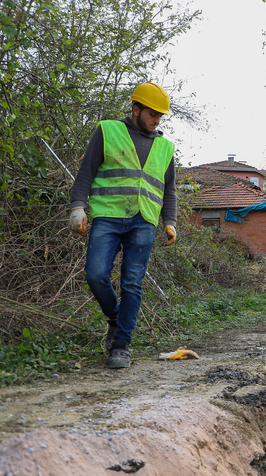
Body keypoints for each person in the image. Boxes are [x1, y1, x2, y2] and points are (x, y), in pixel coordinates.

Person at [68, 82, 178, 369]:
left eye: (160, 116)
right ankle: (116, 319)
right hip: (108, 215)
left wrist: (170, 221)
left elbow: (170, 190)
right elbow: (85, 173)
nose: (156, 120)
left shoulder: (166, 148)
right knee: (95, 274)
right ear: (136, 109)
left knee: (132, 282)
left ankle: (121, 345)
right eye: (153, 114)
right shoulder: (107, 131)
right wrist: (78, 206)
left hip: (144, 221)